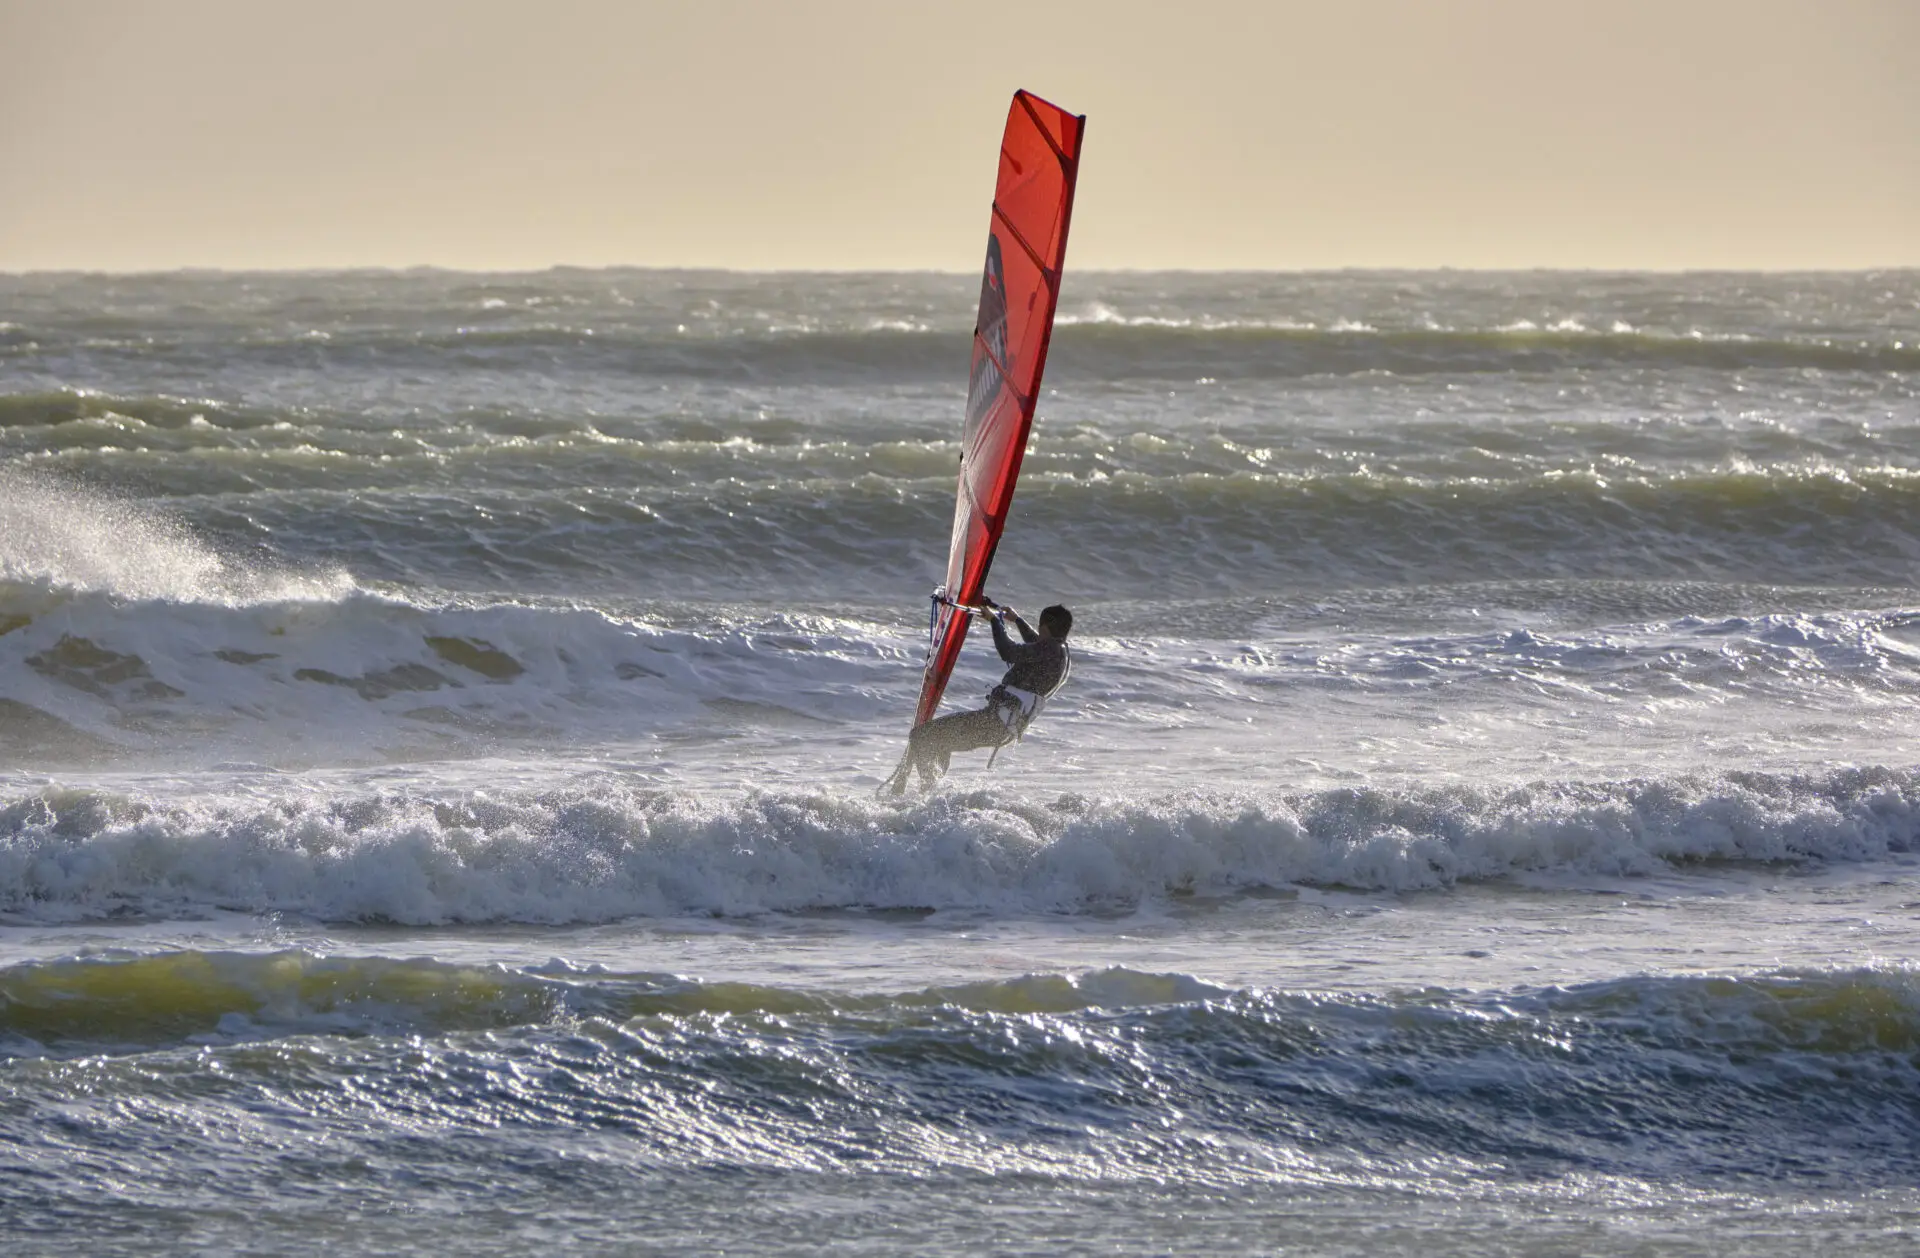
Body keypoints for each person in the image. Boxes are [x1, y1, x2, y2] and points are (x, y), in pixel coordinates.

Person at [886, 600, 1073, 795]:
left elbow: (1008, 651)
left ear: (1044, 626)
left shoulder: (1050, 649)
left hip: (993, 723)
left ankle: (922, 795)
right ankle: (932, 794)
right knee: (939, 739)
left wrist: (995, 621)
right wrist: (1017, 620)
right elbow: (1035, 642)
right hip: (1000, 726)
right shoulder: (1060, 652)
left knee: (921, 736)